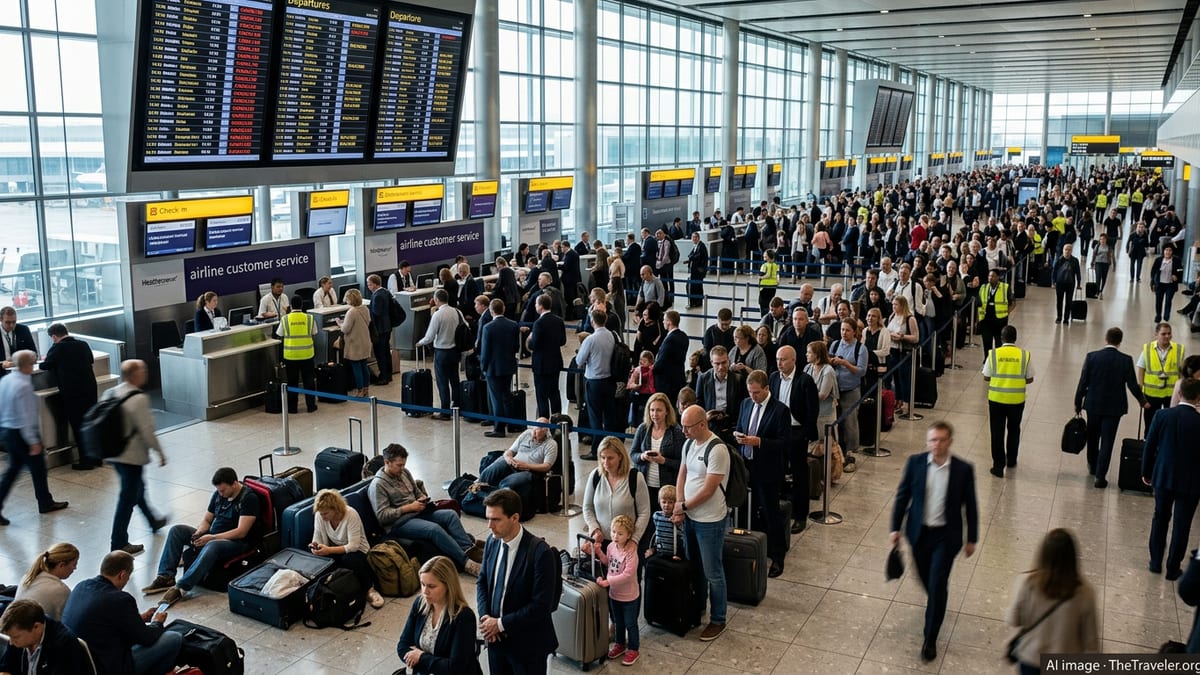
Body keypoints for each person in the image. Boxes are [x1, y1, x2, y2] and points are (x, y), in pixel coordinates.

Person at [889, 421, 978, 663]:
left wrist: (972, 538)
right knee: (927, 580)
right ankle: (937, 601)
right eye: (932, 440)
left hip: (946, 537)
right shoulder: (915, 463)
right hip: (919, 534)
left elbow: (970, 505)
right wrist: (895, 528)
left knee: (937, 582)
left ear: (949, 442)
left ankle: (930, 638)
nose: (936, 445)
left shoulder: (962, 470)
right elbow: (903, 495)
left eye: (941, 440)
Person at [142, 467, 259, 605]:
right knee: (177, 531)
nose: (220, 494)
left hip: (236, 542)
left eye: (223, 490)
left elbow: (241, 531)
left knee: (212, 545)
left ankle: (182, 587)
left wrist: (212, 538)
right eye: (219, 491)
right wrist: (199, 532)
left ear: (234, 483)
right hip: (213, 536)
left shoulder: (248, 499)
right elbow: (207, 520)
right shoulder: (219, 495)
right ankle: (166, 576)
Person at [476, 488, 559, 675]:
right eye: (488, 518)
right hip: (495, 640)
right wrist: (485, 618)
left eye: (496, 519)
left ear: (514, 518)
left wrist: (500, 624)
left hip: (527, 645)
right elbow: (482, 581)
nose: (489, 526)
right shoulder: (492, 541)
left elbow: (540, 606)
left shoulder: (540, 553)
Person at [62, 551, 182, 675]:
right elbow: (146, 638)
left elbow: (103, 622)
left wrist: (138, 619)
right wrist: (157, 623)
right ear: (122, 575)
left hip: (79, 662)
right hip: (108, 667)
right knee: (173, 638)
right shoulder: (121, 599)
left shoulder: (81, 586)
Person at [369, 443, 482, 575]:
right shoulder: (378, 485)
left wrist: (422, 498)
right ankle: (467, 563)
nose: (402, 468)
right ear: (387, 462)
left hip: (417, 512)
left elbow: (416, 492)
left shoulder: (404, 473)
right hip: (399, 523)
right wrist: (408, 507)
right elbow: (382, 516)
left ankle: (469, 549)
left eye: (404, 464)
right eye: (399, 465)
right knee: (434, 530)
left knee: (450, 515)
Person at [671, 405, 729, 642]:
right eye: (682, 426)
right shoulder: (688, 444)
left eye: (688, 427)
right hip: (691, 518)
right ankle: (698, 608)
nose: (683, 431)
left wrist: (684, 506)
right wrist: (678, 503)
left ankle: (718, 618)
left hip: (710, 520)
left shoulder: (717, 450)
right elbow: (682, 475)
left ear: (702, 424)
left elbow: (709, 489)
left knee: (713, 571)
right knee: (695, 568)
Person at [1006, 529, 1099, 674]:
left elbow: (1013, 619)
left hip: (1031, 659)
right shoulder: (1085, 593)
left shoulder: (1027, 583)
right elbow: (1091, 642)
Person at [105, 359, 168, 555]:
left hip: (115, 452)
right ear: (135, 375)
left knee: (137, 489)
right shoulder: (139, 399)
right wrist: (160, 452)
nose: (145, 373)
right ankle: (118, 542)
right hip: (131, 455)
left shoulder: (111, 392)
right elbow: (147, 430)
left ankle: (152, 520)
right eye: (143, 370)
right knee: (127, 498)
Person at [734, 369, 792, 578]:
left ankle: (777, 556)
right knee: (747, 510)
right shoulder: (745, 404)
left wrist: (759, 442)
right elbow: (740, 426)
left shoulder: (780, 411)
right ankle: (752, 549)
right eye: (750, 392)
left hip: (768, 470)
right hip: (746, 467)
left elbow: (784, 443)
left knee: (770, 512)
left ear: (767, 389)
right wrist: (738, 436)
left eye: (757, 392)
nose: (753, 396)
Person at [0, 350, 68, 526]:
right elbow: (27, 417)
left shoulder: (6, 380)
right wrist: (34, 441)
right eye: (32, 363)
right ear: (27, 365)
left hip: (8, 431)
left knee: (12, 471)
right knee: (38, 470)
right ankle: (45, 502)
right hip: (23, 434)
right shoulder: (24, 386)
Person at [1142, 378, 1200, 580]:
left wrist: (1146, 472)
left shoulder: (1162, 415)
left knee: (1160, 518)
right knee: (1182, 525)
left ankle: (1155, 562)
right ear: (1199, 398)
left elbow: (1150, 446)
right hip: (1191, 482)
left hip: (1163, 476)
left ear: (1180, 394)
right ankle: (1173, 568)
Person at [1075, 327, 1148, 487]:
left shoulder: (1092, 357)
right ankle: (1100, 477)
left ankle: (1093, 466)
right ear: (1120, 341)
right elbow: (1132, 385)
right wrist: (1142, 401)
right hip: (1114, 408)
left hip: (1093, 404)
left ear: (1106, 339)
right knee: (1108, 441)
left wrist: (1078, 402)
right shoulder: (1125, 360)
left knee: (1093, 437)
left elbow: (1083, 382)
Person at [397, 556, 482, 674]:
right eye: (422, 584)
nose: (425, 592)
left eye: (431, 586)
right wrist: (434, 663)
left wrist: (421, 657)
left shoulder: (463, 617)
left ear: (448, 586)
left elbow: (455, 667)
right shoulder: (420, 603)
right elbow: (402, 646)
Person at [310, 488, 385, 609]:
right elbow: (318, 534)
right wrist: (315, 545)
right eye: (321, 513)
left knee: (349, 559)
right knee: (325, 562)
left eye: (325, 513)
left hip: (358, 550)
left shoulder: (350, 514)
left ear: (335, 509)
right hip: (334, 548)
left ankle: (370, 589)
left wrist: (328, 550)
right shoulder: (320, 515)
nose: (322, 516)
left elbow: (353, 546)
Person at [769, 345, 817, 532]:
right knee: (777, 472)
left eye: (783, 359)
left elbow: (812, 411)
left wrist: (804, 434)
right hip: (778, 432)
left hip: (797, 431)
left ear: (793, 360)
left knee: (799, 475)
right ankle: (779, 511)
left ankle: (800, 515)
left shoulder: (805, 381)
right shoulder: (773, 377)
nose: (779, 363)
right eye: (778, 359)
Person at [39, 323, 100, 470]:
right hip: (90, 390)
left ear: (54, 336)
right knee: (91, 424)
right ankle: (96, 457)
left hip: (73, 394)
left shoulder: (57, 348)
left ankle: (86, 460)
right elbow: (91, 361)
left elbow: (45, 366)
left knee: (79, 426)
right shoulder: (83, 344)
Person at [980, 325, 1034, 479]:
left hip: (996, 400)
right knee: (1014, 429)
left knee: (997, 432)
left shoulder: (994, 354)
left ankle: (998, 466)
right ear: (1015, 338)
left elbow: (986, 376)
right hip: (1017, 401)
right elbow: (1030, 378)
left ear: (1002, 338)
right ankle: (1011, 460)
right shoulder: (1024, 355)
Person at [581, 437, 651, 554]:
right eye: (603, 458)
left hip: (626, 544)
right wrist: (594, 529)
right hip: (601, 542)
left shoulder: (635, 478)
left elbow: (644, 512)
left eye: (610, 458)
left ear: (620, 457)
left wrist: (634, 540)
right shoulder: (595, 476)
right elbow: (587, 507)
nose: (606, 463)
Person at [596, 515, 641, 666]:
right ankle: (620, 644)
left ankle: (634, 648)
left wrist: (608, 581)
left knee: (630, 623)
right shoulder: (610, 547)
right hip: (614, 594)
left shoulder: (631, 552)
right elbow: (608, 562)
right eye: (613, 532)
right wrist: (598, 553)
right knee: (617, 621)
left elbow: (628, 575)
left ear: (628, 535)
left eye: (620, 533)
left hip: (629, 596)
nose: (615, 536)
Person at [0, 599, 90, 675]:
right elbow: (6, 669)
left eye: (16, 637)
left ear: (37, 627)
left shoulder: (64, 644)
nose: (11, 642)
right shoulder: (18, 635)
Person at [478, 421, 558, 503]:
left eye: (536, 431)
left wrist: (527, 466)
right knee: (490, 471)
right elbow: (510, 450)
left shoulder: (551, 444)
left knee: (509, 483)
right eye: (533, 429)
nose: (533, 434)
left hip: (530, 470)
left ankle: (499, 502)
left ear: (545, 431)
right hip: (513, 462)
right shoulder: (527, 433)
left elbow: (547, 466)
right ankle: (477, 490)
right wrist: (508, 457)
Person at [630, 393, 685, 511]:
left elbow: (682, 464)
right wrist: (642, 456)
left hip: (667, 489)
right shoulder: (643, 429)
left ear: (666, 411)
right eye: (652, 410)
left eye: (659, 410)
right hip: (644, 484)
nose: (655, 414)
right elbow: (633, 454)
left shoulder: (676, 432)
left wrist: (664, 461)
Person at [576, 310, 619, 446]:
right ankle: (611, 444)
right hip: (609, 380)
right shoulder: (612, 336)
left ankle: (597, 448)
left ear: (593, 321)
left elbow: (579, 360)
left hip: (594, 381)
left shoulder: (591, 339)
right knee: (609, 415)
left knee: (595, 416)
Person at [416, 289, 460, 419]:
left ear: (437, 300)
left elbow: (429, 336)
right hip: (454, 351)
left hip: (442, 351)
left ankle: (445, 411)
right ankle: (457, 406)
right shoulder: (456, 311)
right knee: (455, 380)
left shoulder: (438, 314)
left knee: (442, 382)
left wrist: (420, 342)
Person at [830, 320, 868, 470]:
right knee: (836, 422)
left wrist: (845, 363)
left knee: (850, 422)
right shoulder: (835, 344)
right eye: (842, 330)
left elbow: (861, 371)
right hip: (836, 390)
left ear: (854, 332)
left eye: (847, 330)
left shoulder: (860, 348)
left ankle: (851, 453)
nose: (844, 333)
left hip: (851, 389)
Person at [480, 299, 520, 439]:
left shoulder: (488, 327)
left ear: (491, 311)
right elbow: (516, 347)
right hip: (508, 365)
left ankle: (499, 428)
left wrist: (483, 367)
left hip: (493, 368)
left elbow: (485, 352)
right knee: (506, 396)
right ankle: (512, 424)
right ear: (503, 309)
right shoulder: (514, 325)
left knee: (496, 398)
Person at [1137, 322, 1186, 430]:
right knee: (1150, 421)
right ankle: (1149, 440)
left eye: (1169, 334)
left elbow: (1182, 371)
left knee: (1170, 421)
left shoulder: (1179, 349)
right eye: (1163, 334)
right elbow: (1141, 368)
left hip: (1171, 393)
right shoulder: (1147, 349)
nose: (1167, 336)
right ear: (1156, 335)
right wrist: (1141, 387)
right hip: (1152, 392)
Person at [276, 296, 319, 414]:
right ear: (301, 305)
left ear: (290, 305)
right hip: (307, 355)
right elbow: (315, 332)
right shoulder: (309, 318)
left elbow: (279, 334)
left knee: (292, 382)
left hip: (291, 356)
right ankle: (311, 406)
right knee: (309, 381)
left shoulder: (285, 319)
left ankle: (292, 408)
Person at [15, 542, 79, 621]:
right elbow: (66, 621)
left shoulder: (28, 577)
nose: (75, 568)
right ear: (61, 565)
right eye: (74, 564)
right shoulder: (60, 590)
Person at [526, 294, 565, 419]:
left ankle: (543, 420)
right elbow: (562, 341)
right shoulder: (559, 321)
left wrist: (530, 338)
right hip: (555, 361)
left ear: (541, 306)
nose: (535, 306)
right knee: (554, 392)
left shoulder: (539, 323)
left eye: (536, 304)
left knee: (541, 394)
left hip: (541, 364)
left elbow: (534, 344)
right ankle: (557, 419)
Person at [335, 288, 373, 397]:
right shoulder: (365, 309)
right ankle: (366, 388)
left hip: (355, 343)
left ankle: (360, 390)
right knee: (364, 366)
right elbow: (368, 321)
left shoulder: (352, 312)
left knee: (356, 367)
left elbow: (345, 329)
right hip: (365, 340)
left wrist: (340, 323)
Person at [887, 297, 920, 415]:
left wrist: (902, 337)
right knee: (895, 377)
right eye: (893, 304)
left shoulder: (910, 319)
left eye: (896, 304)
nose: (894, 306)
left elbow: (916, 337)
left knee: (905, 378)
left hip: (904, 352)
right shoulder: (892, 316)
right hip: (893, 350)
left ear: (902, 305)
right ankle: (898, 399)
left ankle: (907, 402)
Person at [653, 310, 688, 406]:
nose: (663, 322)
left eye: (664, 320)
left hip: (667, 383)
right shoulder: (684, 336)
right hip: (679, 378)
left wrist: (652, 369)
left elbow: (662, 361)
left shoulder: (670, 339)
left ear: (669, 322)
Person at [367, 274, 395, 385]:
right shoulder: (385, 292)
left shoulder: (377, 296)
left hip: (380, 329)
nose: (368, 286)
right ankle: (388, 374)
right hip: (387, 326)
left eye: (369, 284)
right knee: (386, 352)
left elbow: (376, 313)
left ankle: (383, 377)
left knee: (380, 353)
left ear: (374, 284)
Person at [976, 269, 1010, 355]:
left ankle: (998, 360)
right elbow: (979, 303)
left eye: (993, 276)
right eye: (989, 276)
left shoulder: (1005, 287)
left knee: (999, 343)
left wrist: (1007, 312)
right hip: (986, 320)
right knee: (987, 342)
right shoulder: (983, 288)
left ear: (998, 277)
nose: (990, 278)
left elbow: (1013, 302)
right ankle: (987, 360)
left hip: (1000, 321)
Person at [1151, 243, 1184, 323]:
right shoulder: (1158, 260)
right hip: (1160, 284)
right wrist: (1152, 282)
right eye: (1166, 250)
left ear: (1172, 252)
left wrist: (1177, 277)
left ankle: (1166, 314)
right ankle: (1158, 315)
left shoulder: (1176, 260)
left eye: (1170, 250)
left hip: (1170, 284)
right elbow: (1153, 271)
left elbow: (1181, 270)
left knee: (1168, 300)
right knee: (1159, 300)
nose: (1168, 252)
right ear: (1163, 251)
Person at [0, 307, 38, 374]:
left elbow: (33, 353)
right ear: (1, 320)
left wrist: (16, 363)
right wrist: (1, 364)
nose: (11, 325)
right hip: (2, 372)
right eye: (8, 322)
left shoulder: (23, 330)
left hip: (21, 371)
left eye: (14, 322)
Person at [1051, 243, 1082, 324]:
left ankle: (1066, 319)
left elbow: (1078, 272)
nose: (1067, 251)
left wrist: (1079, 283)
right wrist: (1053, 282)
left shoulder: (1075, 261)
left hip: (1070, 284)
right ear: (1063, 250)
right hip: (1060, 283)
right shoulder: (1059, 260)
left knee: (1069, 302)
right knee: (1059, 301)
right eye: (1066, 249)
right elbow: (1054, 272)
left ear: (1071, 251)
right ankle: (1059, 317)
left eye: (1069, 250)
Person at [686, 231, 708, 309]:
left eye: (695, 237)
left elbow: (696, 257)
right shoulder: (696, 246)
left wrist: (691, 257)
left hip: (698, 271)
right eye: (693, 237)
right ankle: (695, 302)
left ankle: (696, 302)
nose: (694, 239)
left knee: (696, 286)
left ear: (698, 238)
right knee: (696, 286)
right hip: (695, 270)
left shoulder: (701, 246)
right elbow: (691, 255)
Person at [1090, 233, 1112, 298]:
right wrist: (1092, 262)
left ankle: (1101, 291)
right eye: (1101, 239)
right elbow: (1094, 254)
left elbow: (1111, 256)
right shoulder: (1097, 246)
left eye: (1103, 239)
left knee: (1104, 278)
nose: (1102, 240)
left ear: (1106, 240)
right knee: (1098, 277)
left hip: (1106, 264)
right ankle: (1097, 291)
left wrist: (1113, 264)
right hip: (1098, 263)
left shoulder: (1109, 247)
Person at [758, 248, 780, 314]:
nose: (763, 255)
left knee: (763, 304)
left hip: (764, 287)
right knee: (770, 303)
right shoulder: (776, 265)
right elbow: (777, 275)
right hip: (773, 287)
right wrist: (777, 282)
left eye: (765, 255)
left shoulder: (764, 265)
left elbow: (766, 275)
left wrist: (760, 277)